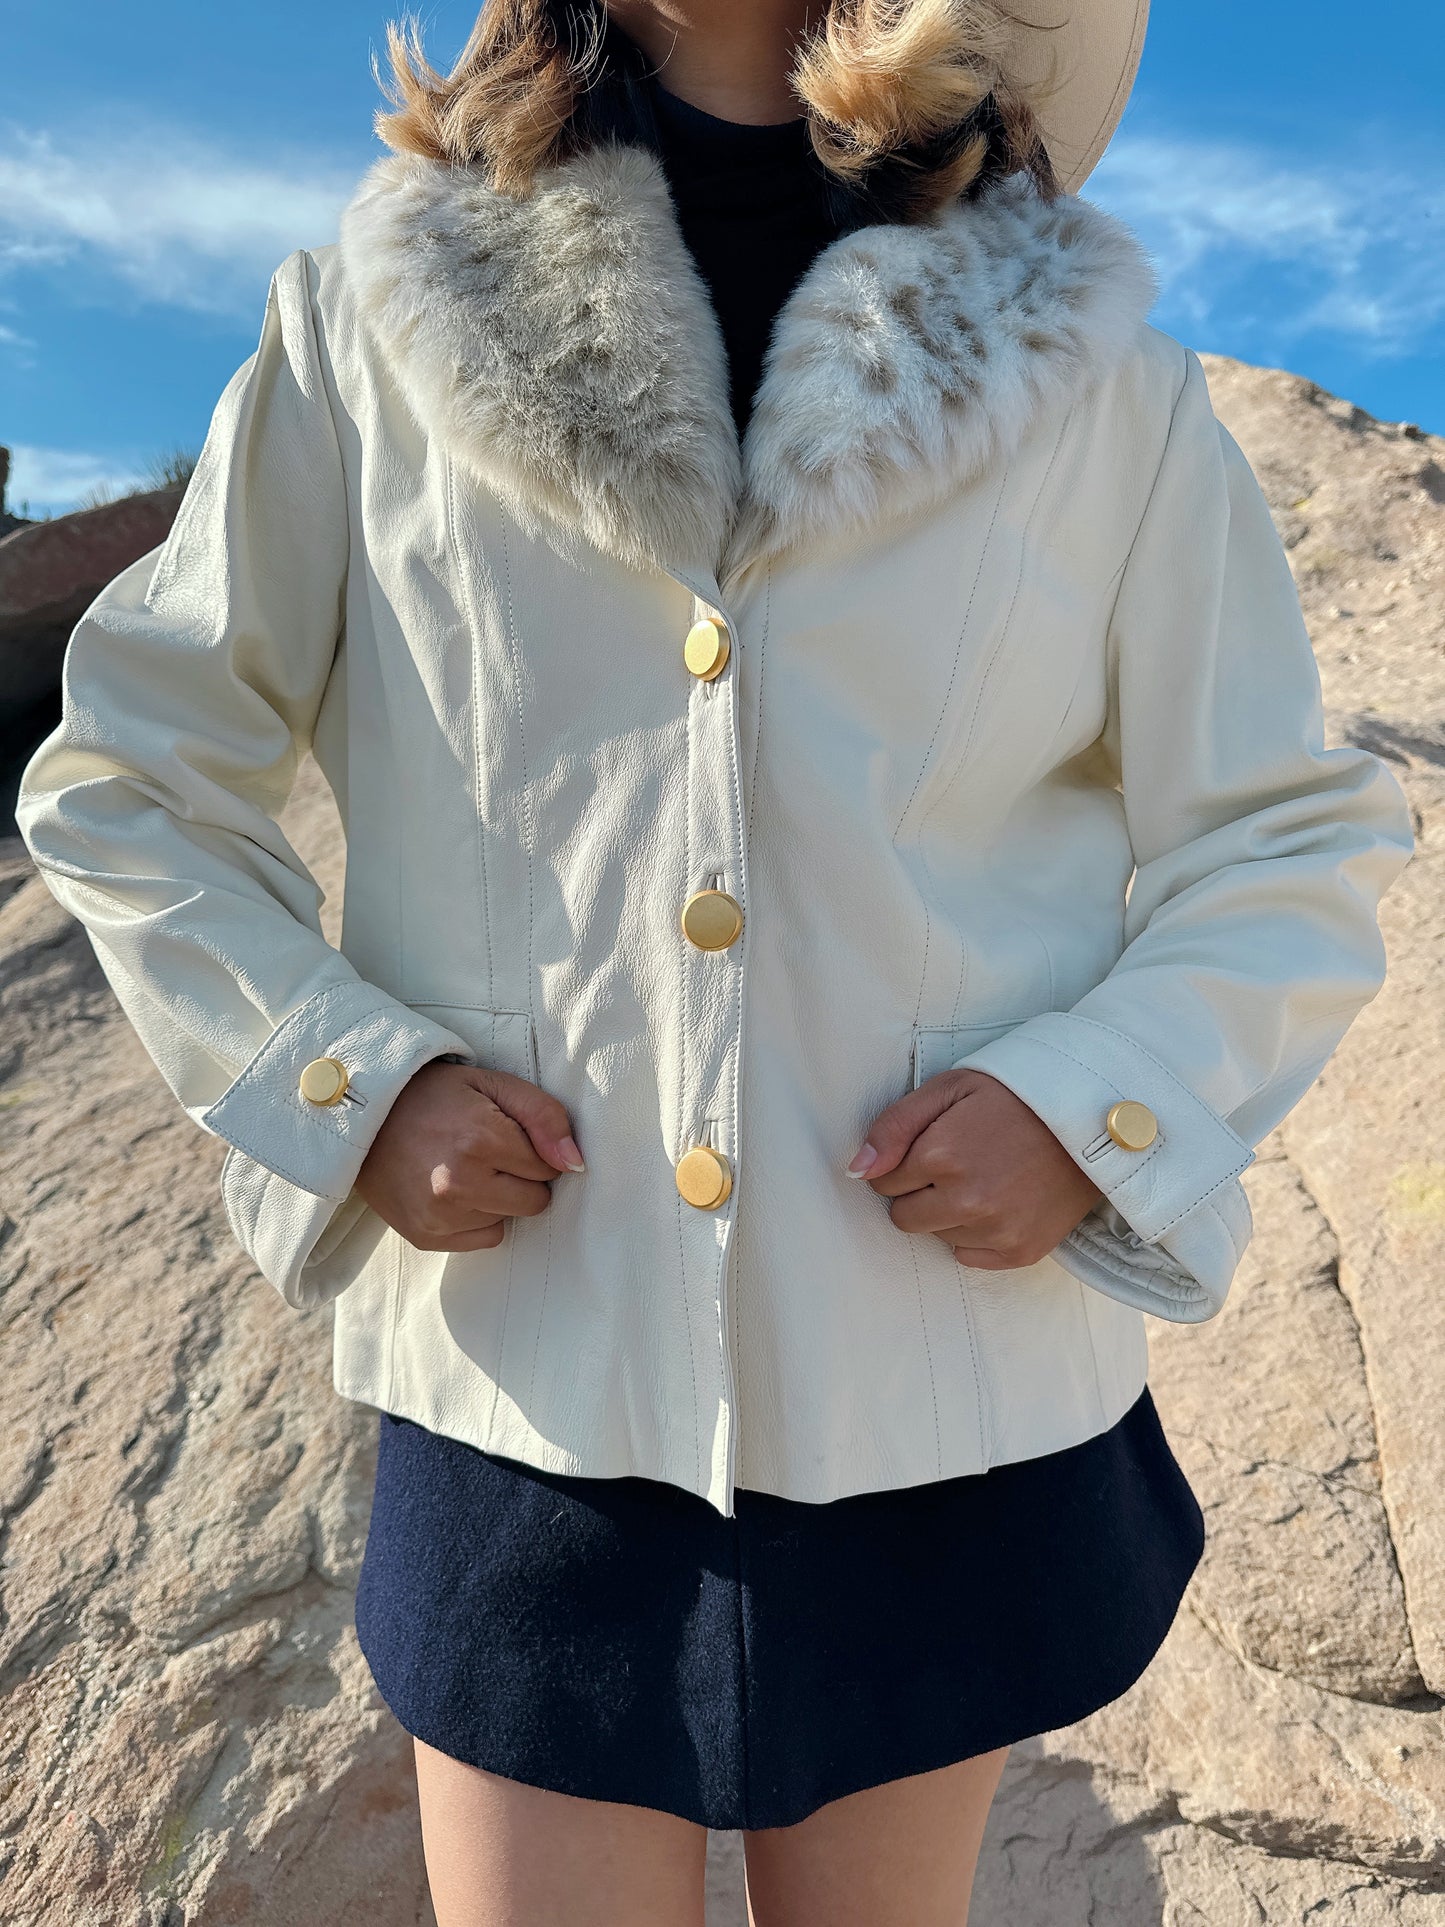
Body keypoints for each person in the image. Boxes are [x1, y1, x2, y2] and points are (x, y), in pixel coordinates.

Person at [15, 1, 1415, 1922]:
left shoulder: (1101, 383)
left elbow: (1283, 832)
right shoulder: (358, 329)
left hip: (934, 1382)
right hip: (529, 1386)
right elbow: (131, 778)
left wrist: (1097, 1110)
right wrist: (352, 1089)